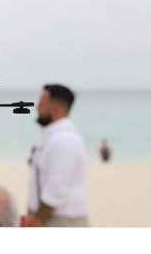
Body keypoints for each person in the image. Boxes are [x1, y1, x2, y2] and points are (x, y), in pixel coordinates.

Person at [26, 84, 89, 227]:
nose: (37, 108)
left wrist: (37, 220)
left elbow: (57, 187)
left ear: (56, 109)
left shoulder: (64, 139)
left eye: (41, 103)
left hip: (63, 220)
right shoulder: (53, 137)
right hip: (52, 218)